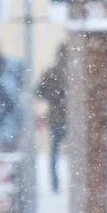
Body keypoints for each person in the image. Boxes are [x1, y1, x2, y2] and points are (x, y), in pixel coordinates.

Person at [35, 44, 69, 193]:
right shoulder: (78, 71)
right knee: (75, 155)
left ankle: (55, 186)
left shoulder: (52, 72)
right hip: (71, 120)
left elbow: (39, 92)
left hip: (57, 119)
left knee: (54, 155)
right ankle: (72, 184)